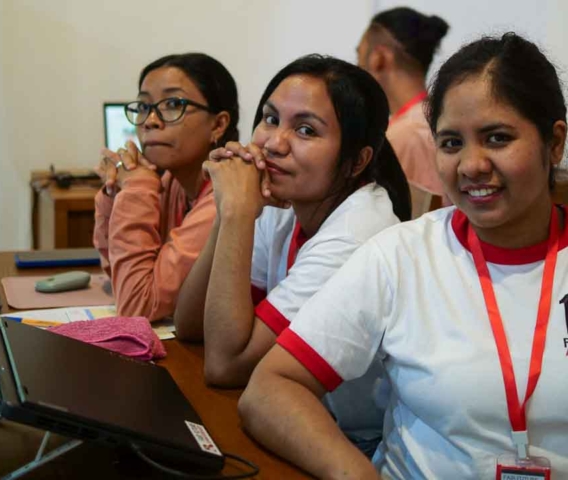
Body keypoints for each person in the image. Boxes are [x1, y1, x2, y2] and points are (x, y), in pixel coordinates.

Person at [238, 33, 568, 479]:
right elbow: (270, 387)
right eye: (451, 143)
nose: (472, 165)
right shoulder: (399, 255)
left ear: (554, 144)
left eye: (497, 138)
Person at [174, 55, 411, 453]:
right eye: (269, 118)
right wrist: (227, 210)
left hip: (355, 441)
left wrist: (236, 214)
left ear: (357, 161)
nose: (273, 143)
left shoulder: (356, 235)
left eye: (305, 130)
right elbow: (191, 324)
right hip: (295, 417)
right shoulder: (286, 201)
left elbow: (226, 365)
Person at [93, 53, 239, 320]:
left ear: (218, 125)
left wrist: (136, 189)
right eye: (144, 106)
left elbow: (138, 306)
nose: (150, 121)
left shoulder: (226, 195)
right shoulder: (173, 182)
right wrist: (113, 193)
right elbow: (120, 277)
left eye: (173, 104)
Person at [357, 7, 449, 218]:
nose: (357, 67)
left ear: (378, 58)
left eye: (359, 56)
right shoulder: (436, 119)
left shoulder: (404, 136)